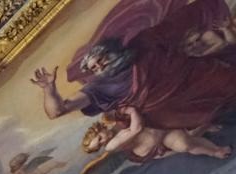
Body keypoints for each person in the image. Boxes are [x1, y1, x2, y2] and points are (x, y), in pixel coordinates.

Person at [30, 0, 236, 131]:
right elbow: (58, 111)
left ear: (110, 50)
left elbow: (165, 32)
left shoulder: (138, 44)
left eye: (100, 60)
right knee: (224, 82)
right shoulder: (100, 87)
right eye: (94, 69)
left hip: (184, 66)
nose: (99, 67)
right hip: (174, 92)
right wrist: (49, 89)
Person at [82, 106, 231, 161]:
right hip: (154, 143)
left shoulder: (113, 123)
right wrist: (131, 111)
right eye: (99, 145)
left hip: (157, 128)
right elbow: (136, 129)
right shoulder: (111, 145)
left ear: (98, 130)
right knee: (184, 145)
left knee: (188, 134)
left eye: (99, 138)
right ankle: (215, 151)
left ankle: (206, 126)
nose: (103, 142)